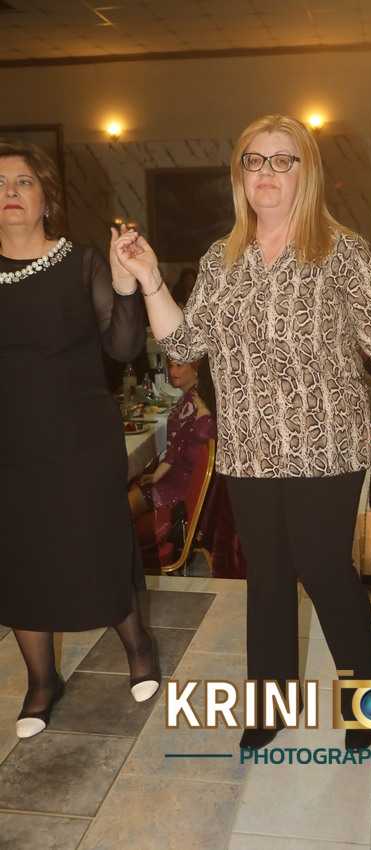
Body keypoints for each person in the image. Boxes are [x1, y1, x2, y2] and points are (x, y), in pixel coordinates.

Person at [112, 114, 371, 751]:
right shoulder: (222, 259)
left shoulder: (340, 250)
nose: (266, 173)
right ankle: (270, 701)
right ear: (240, 175)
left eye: (282, 160)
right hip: (249, 448)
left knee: (324, 571)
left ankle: (370, 702)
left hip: (325, 445)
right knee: (268, 576)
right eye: (254, 160)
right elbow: (184, 343)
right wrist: (150, 280)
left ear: (307, 172)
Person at [0, 141, 160, 740]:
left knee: (96, 542)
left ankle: (138, 647)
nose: (9, 192)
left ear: (46, 197)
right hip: (8, 443)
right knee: (19, 557)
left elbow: (124, 348)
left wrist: (124, 286)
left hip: (79, 437)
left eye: (22, 181)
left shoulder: (81, 261)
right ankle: (43, 681)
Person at [128, 358, 216, 519]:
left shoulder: (196, 404)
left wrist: (160, 473)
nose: (173, 371)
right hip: (176, 477)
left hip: (181, 488)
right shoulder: (191, 398)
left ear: (196, 369)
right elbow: (177, 444)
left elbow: (181, 446)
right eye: (170, 366)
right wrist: (157, 473)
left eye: (179, 366)